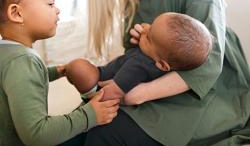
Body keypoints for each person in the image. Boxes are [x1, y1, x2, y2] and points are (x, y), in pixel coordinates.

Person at [82, 0, 250, 146]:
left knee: (105, 133)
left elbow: (209, 61)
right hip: (154, 92)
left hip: (212, 96)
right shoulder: (131, 7)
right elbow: (135, 65)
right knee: (79, 126)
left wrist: (138, 94)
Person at [0, 0, 119, 146]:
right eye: (50, 3)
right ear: (17, 13)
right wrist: (90, 115)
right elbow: (37, 135)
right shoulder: (23, 61)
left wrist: (57, 71)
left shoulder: (7, 55)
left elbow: (19, 82)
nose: (57, 10)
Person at [66, 12, 213, 101]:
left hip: (100, 81)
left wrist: (93, 100)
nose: (145, 29)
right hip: (104, 74)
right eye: (151, 25)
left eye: (148, 36)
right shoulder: (156, 54)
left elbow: (115, 92)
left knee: (77, 67)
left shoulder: (139, 66)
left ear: (162, 65)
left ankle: (76, 80)